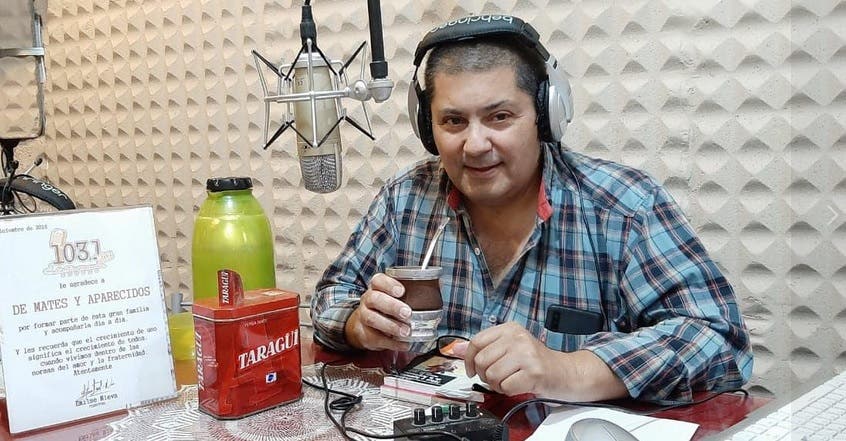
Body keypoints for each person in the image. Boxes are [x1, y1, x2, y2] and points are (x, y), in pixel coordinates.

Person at [310, 14, 753, 403]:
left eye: (500, 117)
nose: (475, 144)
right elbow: (331, 295)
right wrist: (357, 324)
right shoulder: (405, 198)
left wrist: (568, 369)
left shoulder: (624, 207)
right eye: (453, 121)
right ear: (428, 127)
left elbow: (719, 339)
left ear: (546, 114)